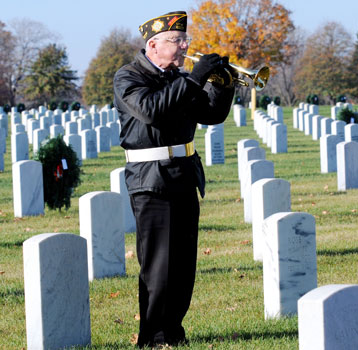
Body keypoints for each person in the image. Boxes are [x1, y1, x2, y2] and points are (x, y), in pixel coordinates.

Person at [113, 10, 235, 348]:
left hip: (183, 174)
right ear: (153, 44)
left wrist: (224, 87)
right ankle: (152, 336)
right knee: (159, 265)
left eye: (184, 41)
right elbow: (152, 110)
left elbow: (211, 114)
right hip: (151, 180)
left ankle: (173, 330)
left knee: (183, 264)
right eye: (176, 41)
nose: (183, 46)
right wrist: (194, 78)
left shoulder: (176, 77)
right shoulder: (129, 76)